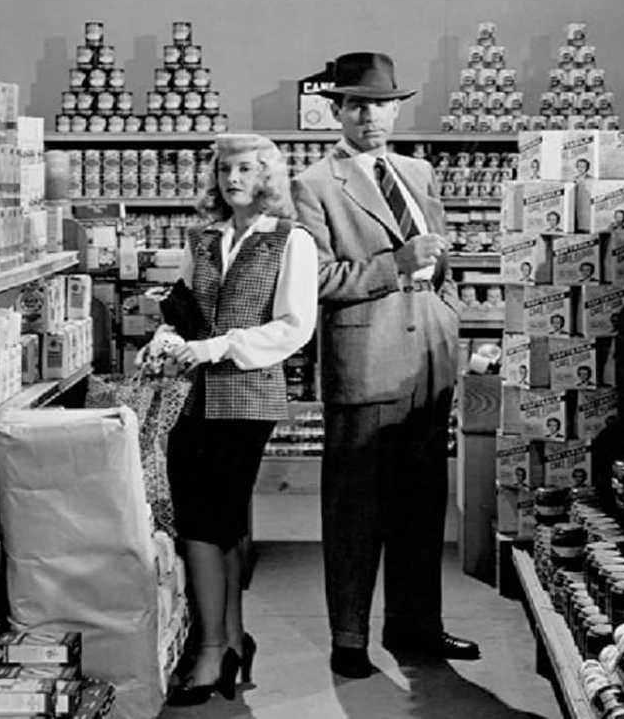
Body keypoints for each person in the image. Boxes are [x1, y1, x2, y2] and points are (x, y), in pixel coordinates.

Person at [292, 51, 480, 679]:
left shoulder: (417, 170)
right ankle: (349, 637)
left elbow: (440, 253)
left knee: (422, 501)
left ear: (399, 108)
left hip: (430, 351)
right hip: (367, 357)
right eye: (357, 105)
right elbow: (316, 279)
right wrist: (397, 266)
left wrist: (447, 307)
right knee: (355, 507)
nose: (370, 116)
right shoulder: (315, 184)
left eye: (381, 104)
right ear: (337, 111)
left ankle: (416, 625)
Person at [162, 133, 319, 705]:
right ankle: (230, 640)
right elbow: (182, 308)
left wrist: (218, 347)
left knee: (204, 523)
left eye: (246, 169)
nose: (233, 180)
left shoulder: (290, 241)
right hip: (191, 397)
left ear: (268, 178)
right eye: (225, 169)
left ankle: (208, 651)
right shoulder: (203, 239)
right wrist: (168, 335)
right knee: (218, 523)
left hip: (247, 397)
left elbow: (294, 326)